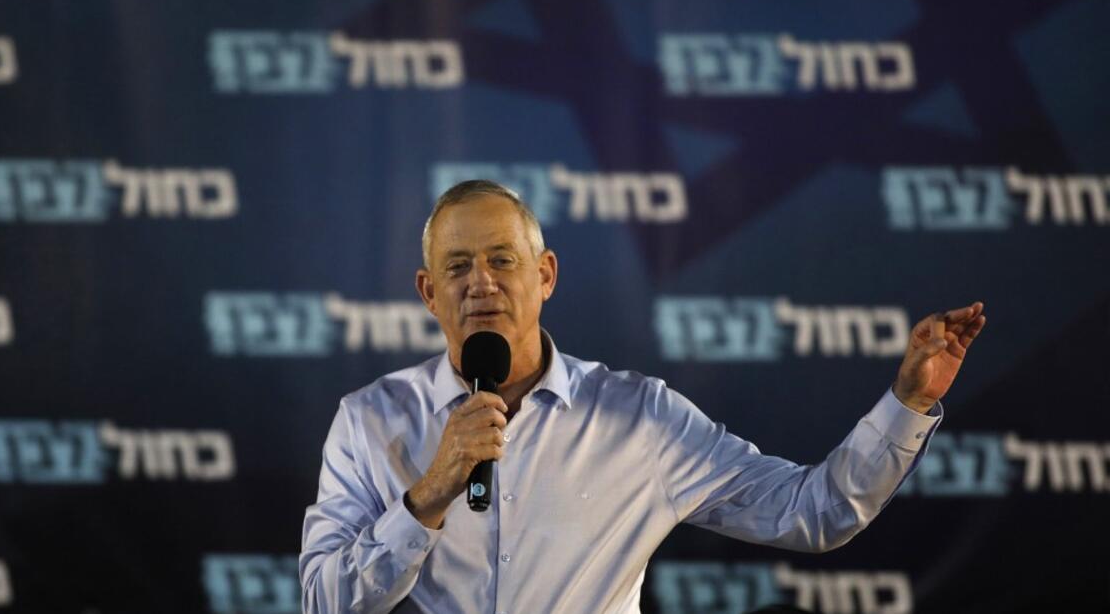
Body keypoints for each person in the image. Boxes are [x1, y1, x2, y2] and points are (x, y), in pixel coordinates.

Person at [299, 180, 987, 614]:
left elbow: (816, 511)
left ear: (545, 276)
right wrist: (425, 500)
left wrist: (906, 402)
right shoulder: (369, 422)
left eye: (502, 260)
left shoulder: (639, 418)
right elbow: (321, 602)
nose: (481, 282)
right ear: (428, 293)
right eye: (457, 266)